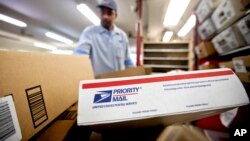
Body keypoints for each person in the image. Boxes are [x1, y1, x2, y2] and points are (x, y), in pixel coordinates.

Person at [74, 0, 134, 76]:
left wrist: (134, 75)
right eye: (102, 12)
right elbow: (79, 56)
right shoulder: (89, 33)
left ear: (116, 15)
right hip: (99, 84)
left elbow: (127, 61)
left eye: (109, 13)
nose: (105, 16)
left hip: (119, 84)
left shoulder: (122, 36)